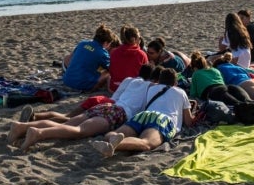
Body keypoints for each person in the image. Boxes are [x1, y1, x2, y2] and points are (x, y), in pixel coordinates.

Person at [8, 64, 156, 152]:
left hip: (108, 105)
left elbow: (115, 96)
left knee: (67, 124)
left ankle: (22, 127)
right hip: (118, 113)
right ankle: (38, 133)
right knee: (80, 131)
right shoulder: (151, 87)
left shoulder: (129, 80)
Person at [93, 67, 193, 157]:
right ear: (175, 83)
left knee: (115, 133)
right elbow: (188, 122)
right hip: (163, 119)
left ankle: (110, 139)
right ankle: (117, 145)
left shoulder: (152, 89)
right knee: (146, 143)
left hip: (143, 115)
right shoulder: (180, 92)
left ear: (159, 80)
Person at [62, 24, 116, 91]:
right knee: (107, 74)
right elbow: (111, 69)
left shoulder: (82, 43)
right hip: (81, 85)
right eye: (109, 44)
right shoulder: (102, 53)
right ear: (105, 43)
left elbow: (73, 57)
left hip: (66, 80)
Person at [108, 25, 148, 93]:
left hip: (115, 88)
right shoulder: (141, 54)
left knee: (108, 77)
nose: (140, 41)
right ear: (133, 39)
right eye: (139, 38)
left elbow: (111, 71)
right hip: (132, 89)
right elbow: (147, 74)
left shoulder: (114, 52)